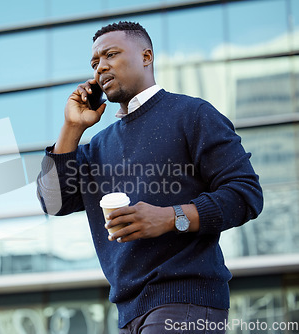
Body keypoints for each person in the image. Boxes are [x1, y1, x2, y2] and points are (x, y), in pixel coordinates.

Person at [36, 21, 263, 334]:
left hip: (186, 302)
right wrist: (72, 128)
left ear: (146, 57)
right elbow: (52, 201)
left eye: (110, 54)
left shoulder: (193, 114)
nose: (100, 66)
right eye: (94, 62)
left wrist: (171, 218)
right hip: (128, 313)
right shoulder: (99, 146)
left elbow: (245, 194)